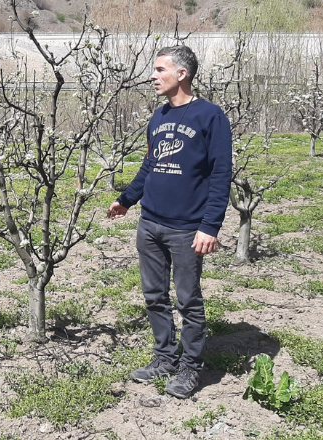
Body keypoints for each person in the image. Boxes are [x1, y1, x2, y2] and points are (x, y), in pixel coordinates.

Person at [107, 45, 232, 399]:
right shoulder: (159, 117)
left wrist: (210, 226)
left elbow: (221, 174)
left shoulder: (211, 116)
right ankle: (164, 357)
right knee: (154, 296)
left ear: (182, 74)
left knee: (188, 300)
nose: (153, 76)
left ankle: (191, 368)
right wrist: (127, 200)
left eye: (160, 69)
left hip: (187, 228)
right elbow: (150, 165)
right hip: (151, 224)